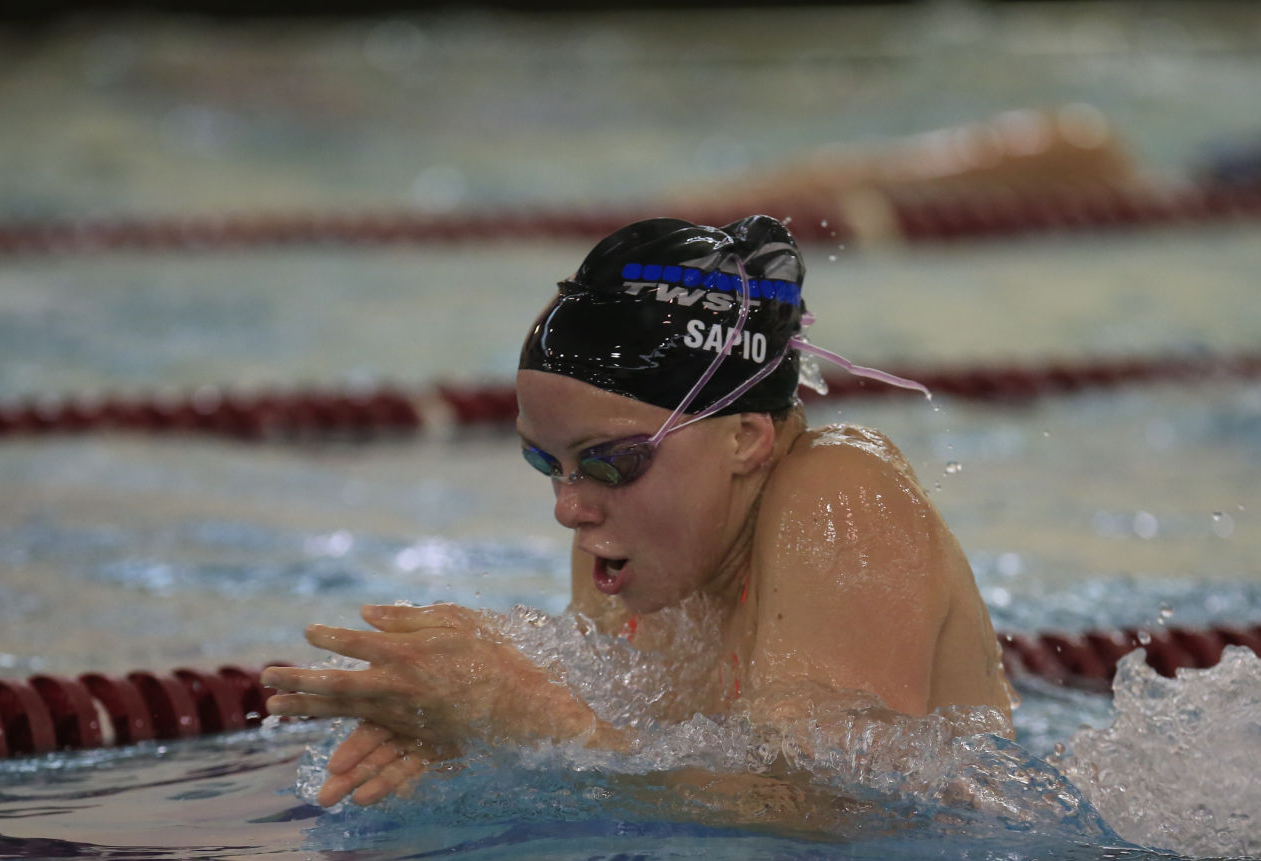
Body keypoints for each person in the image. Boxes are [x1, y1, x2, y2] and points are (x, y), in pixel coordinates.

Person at [263, 214, 1014, 816]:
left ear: (745, 437)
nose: (568, 506)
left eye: (609, 461)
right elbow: (633, 768)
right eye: (544, 462)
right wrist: (479, 738)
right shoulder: (625, 546)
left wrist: (532, 718)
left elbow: (843, 810)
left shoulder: (840, 495)